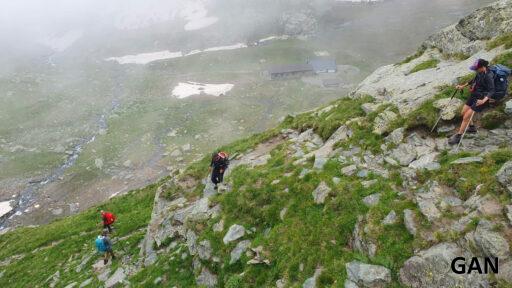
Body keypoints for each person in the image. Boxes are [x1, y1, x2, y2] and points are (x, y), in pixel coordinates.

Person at [448, 58, 495, 145]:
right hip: (474, 95)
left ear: (483, 67)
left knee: (466, 117)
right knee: (463, 113)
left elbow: (492, 90)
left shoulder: (488, 76)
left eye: (477, 68)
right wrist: (463, 86)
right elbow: (473, 80)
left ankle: (458, 136)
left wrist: (483, 100)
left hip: (481, 99)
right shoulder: (479, 72)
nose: (476, 70)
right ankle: (472, 127)